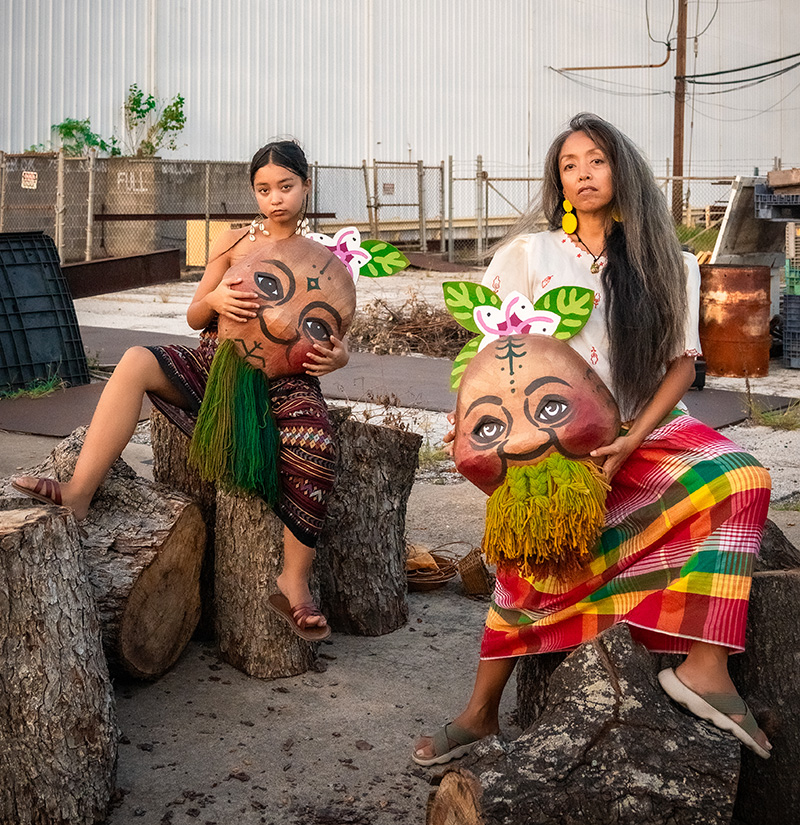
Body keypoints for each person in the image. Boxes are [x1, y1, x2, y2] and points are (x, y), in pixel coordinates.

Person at [413, 113, 772, 765]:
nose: (582, 173)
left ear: (622, 170)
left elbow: (682, 365)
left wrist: (632, 440)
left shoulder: (671, 263)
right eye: (569, 164)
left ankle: (706, 664)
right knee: (528, 566)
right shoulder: (528, 256)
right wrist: (476, 425)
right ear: (558, 181)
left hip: (642, 428)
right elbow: (492, 354)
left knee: (742, 477)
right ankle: (480, 711)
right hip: (552, 440)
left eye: (596, 160)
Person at [13, 139, 347, 640]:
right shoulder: (232, 242)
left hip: (285, 381)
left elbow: (334, 330)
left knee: (317, 439)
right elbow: (194, 316)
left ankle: (293, 581)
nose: (275, 198)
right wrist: (215, 298)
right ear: (253, 192)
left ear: (306, 186)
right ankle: (79, 493)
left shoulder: (321, 259)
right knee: (135, 361)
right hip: (218, 365)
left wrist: (340, 358)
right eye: (264, 189)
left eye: (285, 186)